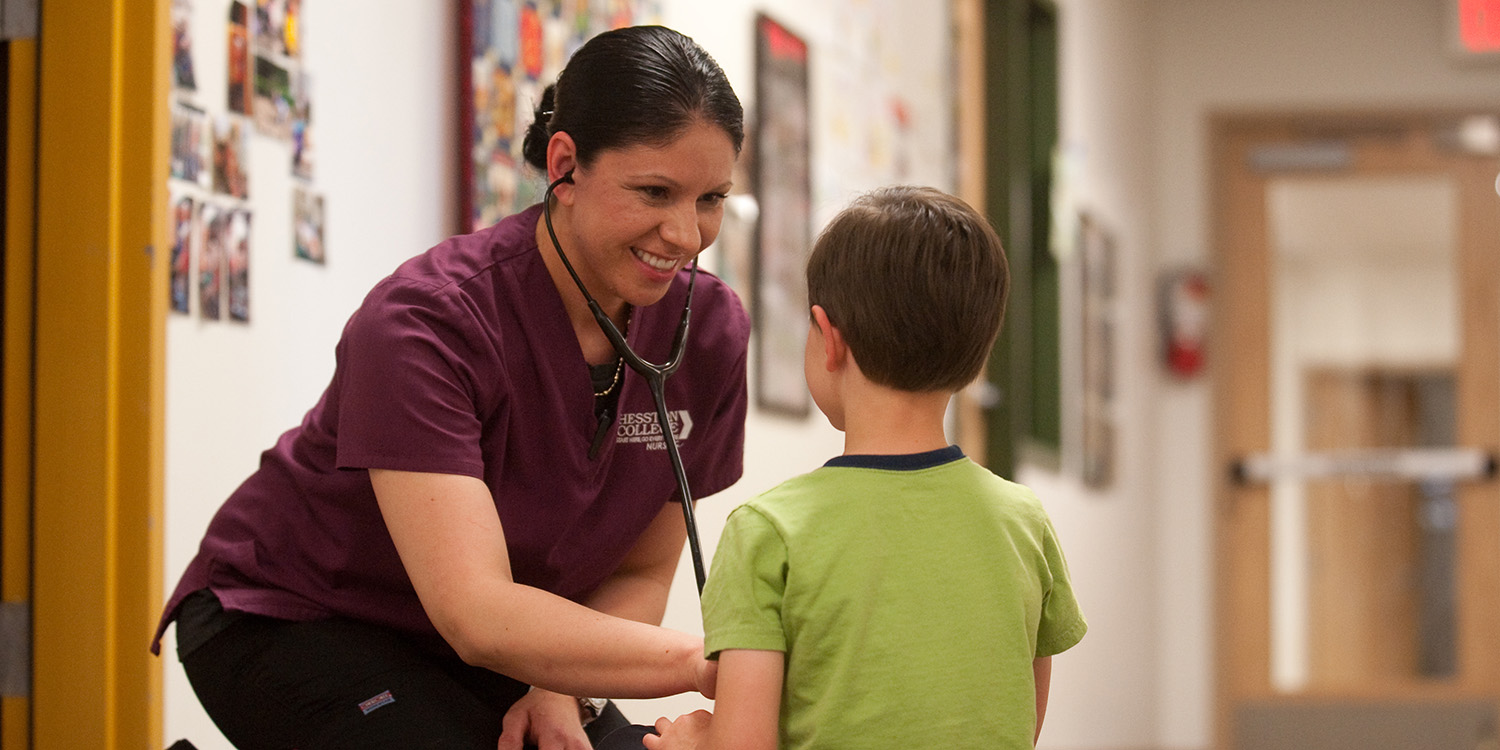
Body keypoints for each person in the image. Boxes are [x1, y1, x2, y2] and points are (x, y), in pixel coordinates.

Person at [153, 25, 749, 750]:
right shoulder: (425, 322)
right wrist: (706, 665)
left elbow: (642, 567)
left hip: (505, 646)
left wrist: (563, 685)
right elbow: (477, 613)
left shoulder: (709, 332)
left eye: (711, 198)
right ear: (565, 166)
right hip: (296, 613)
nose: (686, 234)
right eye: (654, 191)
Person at [644, 186, 1087, 750]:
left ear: (829, 339)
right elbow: (1019, 726)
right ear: (978, 353)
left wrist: (695, 743)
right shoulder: (1023, 521)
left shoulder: (769, 530)